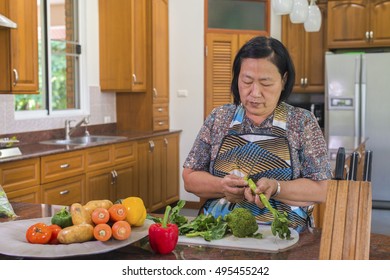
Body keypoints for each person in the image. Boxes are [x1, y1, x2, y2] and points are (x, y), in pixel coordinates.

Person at [182, 36, 332, 232]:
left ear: (284, 80)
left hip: (285, 235)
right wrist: (222, 186)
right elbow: (189, 177)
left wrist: (277, 188)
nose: (254, 93)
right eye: (247, 81)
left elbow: (322, 189)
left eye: (266, 83)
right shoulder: (219, 118)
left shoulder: (301, 122)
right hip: (218, 232)